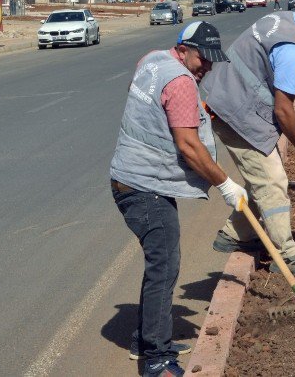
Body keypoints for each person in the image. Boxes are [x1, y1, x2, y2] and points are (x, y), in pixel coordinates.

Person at [109, 22, 246, 377]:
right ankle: (155, 358)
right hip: (145, 189)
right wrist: (226, 184)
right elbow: (188, 146)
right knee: (165, 266)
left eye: (213, 61)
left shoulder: (153, 60)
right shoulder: (181, 82)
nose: (208, 67)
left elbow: (141, 92)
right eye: (203, 59)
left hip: (128, 179)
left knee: (160, 264)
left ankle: (147, 338)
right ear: (183, 49)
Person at [202, 0, 295, 277]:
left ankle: (234, 234)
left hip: (227, 100)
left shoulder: (279, 20)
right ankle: (288, 255)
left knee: (263, 177)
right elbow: (284, 110)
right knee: (273, 180)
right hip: (236, 112)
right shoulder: (291, 51)